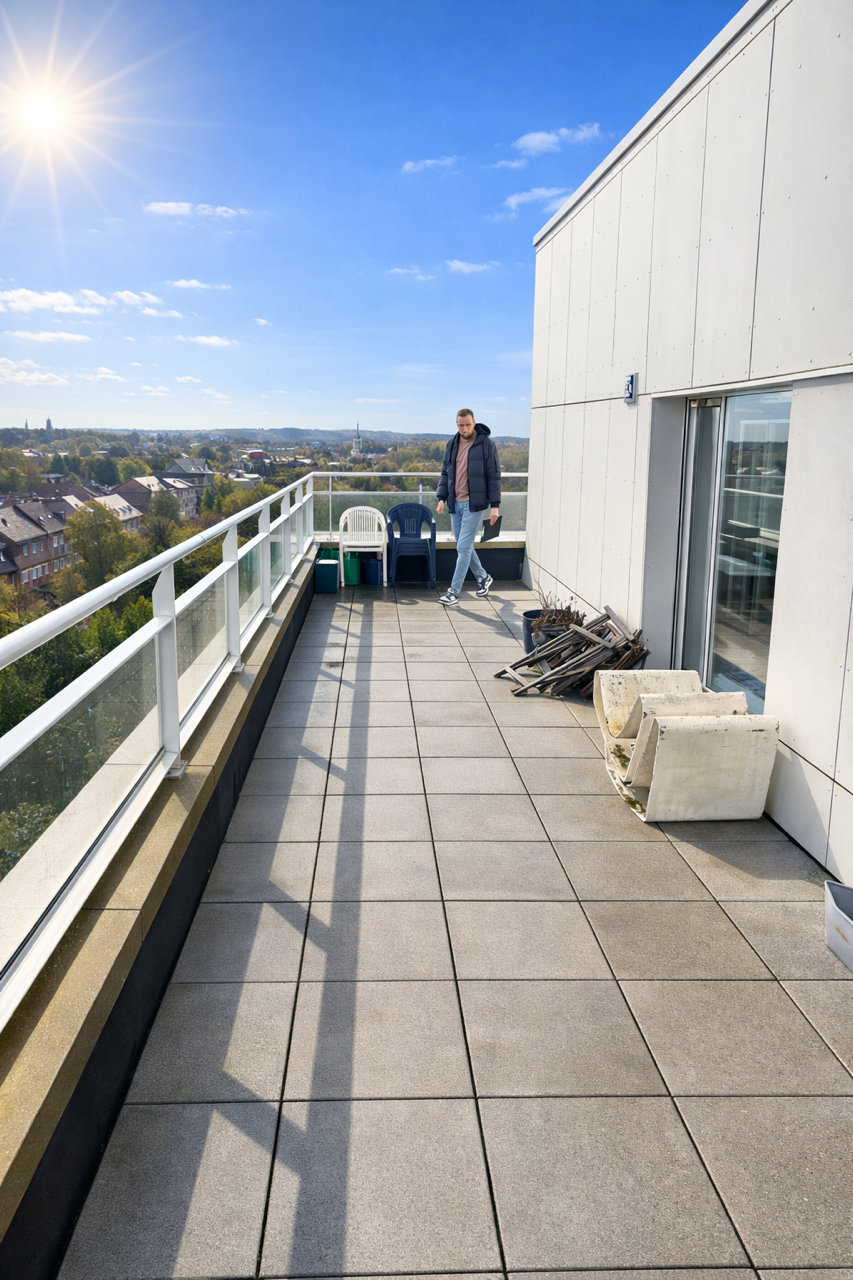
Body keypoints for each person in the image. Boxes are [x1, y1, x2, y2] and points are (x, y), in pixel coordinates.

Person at [435, 408, 501, 606]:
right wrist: (441, 497)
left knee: (462, 547)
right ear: (457, 424)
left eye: (468, 425)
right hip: (455, 503)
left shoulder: (487, 445)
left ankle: (453, 592)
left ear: (474, 423)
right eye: (461, 425)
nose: (464, 428)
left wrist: (495, 506)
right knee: (464, 546)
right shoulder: (452, 444)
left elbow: (494, 477)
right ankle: (483, 577)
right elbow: (445, 473)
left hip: (474, 504)